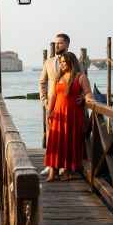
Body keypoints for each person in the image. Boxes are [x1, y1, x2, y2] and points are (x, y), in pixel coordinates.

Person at [39, 34, 85, 176]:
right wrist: (45, 101)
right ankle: (51, 165)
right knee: (53, 136)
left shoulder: (77, 62)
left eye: (60, 43)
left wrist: (83, 96)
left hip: (71, 107)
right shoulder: (48, 62)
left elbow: (83, 81)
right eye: (56, 43)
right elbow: (42, 83)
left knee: (69, 136)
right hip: (53, 105)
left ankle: (67, 167)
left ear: (67, 45)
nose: (57, 45)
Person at [44, 52, 94, 182]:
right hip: (58, 114)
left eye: (63, 62)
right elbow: (53, 96)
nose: (61, 64)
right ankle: (53, 171)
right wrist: (49, 112)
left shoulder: (81, 77)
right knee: (56, 141)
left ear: (71, 62)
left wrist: (87, 99)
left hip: (73, 115)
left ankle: (67, 171)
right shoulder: (58, 78)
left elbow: (88, 93)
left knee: (70, 141)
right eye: (60, 62)